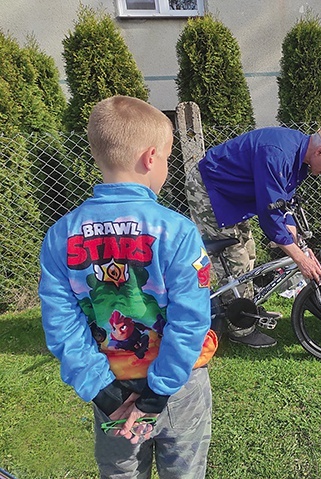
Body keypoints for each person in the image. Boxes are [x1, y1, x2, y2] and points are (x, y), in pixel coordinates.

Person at [38, 95, 218, 479]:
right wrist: (157, 393)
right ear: (150, 157)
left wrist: (102, 391)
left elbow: (61, 324)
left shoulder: (60, 235)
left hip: (110, 390)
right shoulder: (178, 231)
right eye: (168, 158)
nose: (166, 167)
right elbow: (191, 320)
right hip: (179, 390)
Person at [186, 123, 321, 349]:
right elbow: (270, 215)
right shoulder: (279, 154)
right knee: (234, 259)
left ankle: (247, 307)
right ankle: (241, 328)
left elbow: (283, 203)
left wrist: (299, 244)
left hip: (234, 192)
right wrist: (300, 259)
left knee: (249, 251)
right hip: (210, 188)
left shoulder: (300, 158)